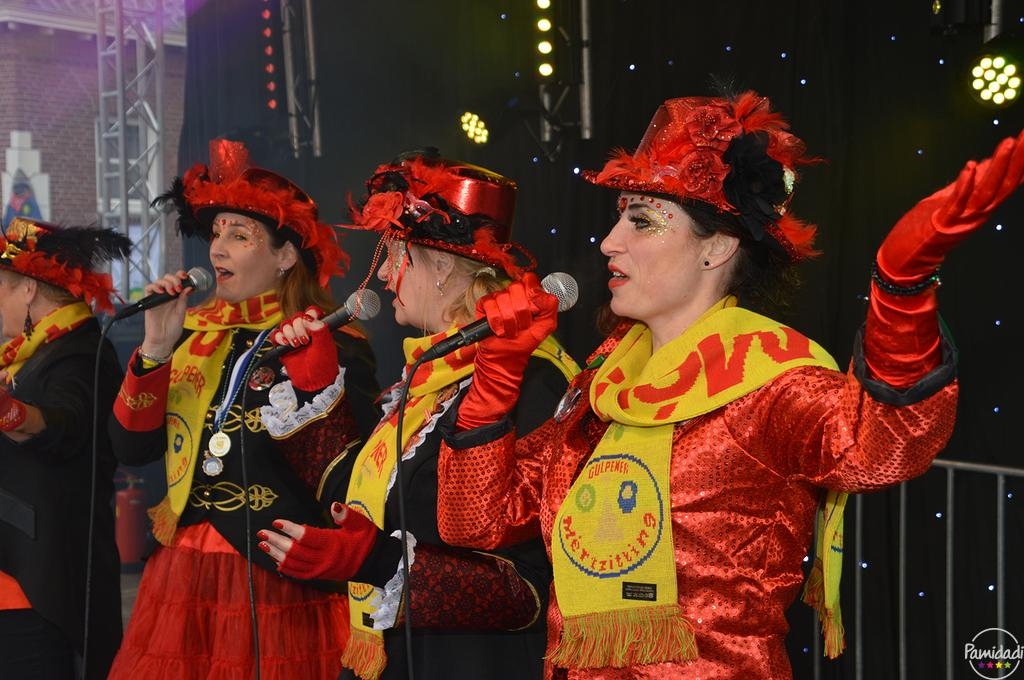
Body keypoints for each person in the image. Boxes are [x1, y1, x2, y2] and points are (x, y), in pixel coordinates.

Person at [433, 91, 1024, 679]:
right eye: (619, 216)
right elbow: (475, 523)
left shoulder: (769, 379)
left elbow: (886, 447)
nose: (610, 241)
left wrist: (901, 291)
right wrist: (496, 378)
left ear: (716, 248)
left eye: (642, 221)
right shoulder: (603, 383)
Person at [258, 151, 581, 680]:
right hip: (405, 655)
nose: (384, 275)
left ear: (443, 265)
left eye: (392, 254)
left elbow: (533, 584)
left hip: (475, 666)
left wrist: (380, 563)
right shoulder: (429, 378)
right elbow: (364, 500)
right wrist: (315, 387)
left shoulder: (533, 380)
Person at [107, 139, 380, 679]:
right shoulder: (189, 335)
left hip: (277, 579)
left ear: (285, 256)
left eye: (239, 235)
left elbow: (353, 475)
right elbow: (131, 450)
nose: (216, 250)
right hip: (182, 572)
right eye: (215, 234)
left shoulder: (326, 341)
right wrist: (156, 348)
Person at [0, 218, 131, 679]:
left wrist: (9, 412)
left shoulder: (81, 353)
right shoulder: (32, 354)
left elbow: (63, 424)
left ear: (29, 289)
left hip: (44, 582)